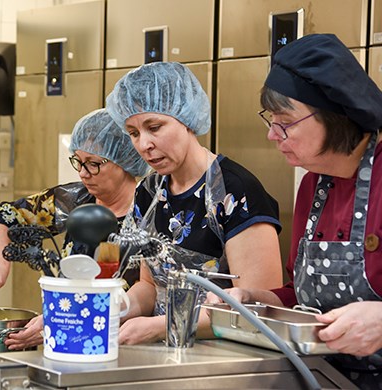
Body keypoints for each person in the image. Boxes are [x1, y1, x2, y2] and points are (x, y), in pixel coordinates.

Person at [205, 34, 382, 388]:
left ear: (334, 115)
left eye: (284, 121)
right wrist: (254, 300)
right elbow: (302, 299)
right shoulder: (314, 185)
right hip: (326, 377)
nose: (273, 135)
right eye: (269, 120)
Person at [105, 62, 284, 345]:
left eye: (154, 127)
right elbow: (150, 286)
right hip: (163, 353)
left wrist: (160, 326)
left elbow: (258, 310)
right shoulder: (149, 192)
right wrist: (116, 308)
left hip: (226, 357)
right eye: (134, 133)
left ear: (186, 119)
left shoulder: (235, 191)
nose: (144, 144)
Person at [0, 108, 148, 350]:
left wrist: (60, 321)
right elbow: (3, 216)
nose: (82, 173)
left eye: (93, 164)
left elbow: (147, 296)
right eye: (78, 161)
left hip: (124, 346)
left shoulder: (149, 213)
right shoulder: (75, 199)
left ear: (125, 162)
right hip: (66, 341)